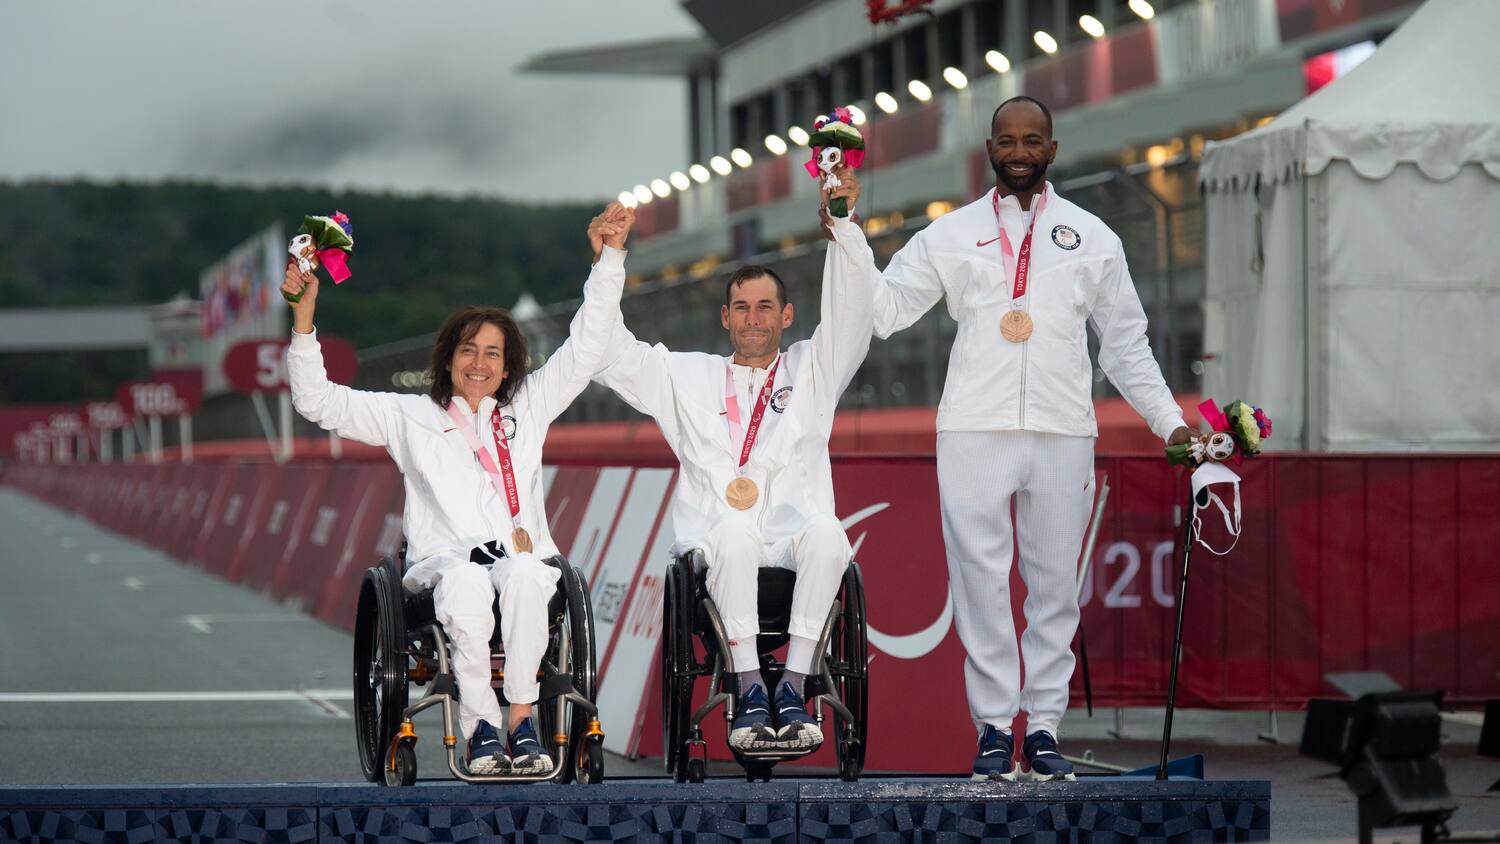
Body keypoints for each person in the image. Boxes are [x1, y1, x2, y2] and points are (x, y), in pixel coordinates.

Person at [849, 96, 1192, 780]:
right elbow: (883, 313)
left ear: (1052, 149)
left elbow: (1125, 349)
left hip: (1063, 431)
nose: (1019, 150)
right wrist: (845, 228)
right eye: (1007, 139)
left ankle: (1044, 728)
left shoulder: (1093, 237)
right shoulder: (951, 233)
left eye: (1032, 139)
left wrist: (1172, 422)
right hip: (974, 429)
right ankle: (993, 727)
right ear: (989, 149)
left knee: (1053, 589)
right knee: (981, 584)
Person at [283, 203, 634, 776]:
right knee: (469, 581)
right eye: (468, 350)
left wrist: (609, 259)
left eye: (492, 353)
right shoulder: (409, 416)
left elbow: (588, 346)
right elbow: (316, 401)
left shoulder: (530, 406)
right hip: (443, 567)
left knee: (524, 572)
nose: (479, 363)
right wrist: (304, 319)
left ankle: (521, 719)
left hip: (519, 561)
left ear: (508, 364)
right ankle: (481, 728)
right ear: (447, 360)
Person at [592, 173, 873, 752]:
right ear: (725, 319)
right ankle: (748, 686)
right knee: (737, 529)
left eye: (764, 307)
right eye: (741, 308)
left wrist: (843, 228)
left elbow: (850, 316)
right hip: (716, 541)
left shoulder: (813, 371)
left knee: (828, 534)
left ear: (787, 316)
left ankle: (794, 684)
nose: (752, 318)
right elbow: (608, 352)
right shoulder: (687, 376)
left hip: (794, 539)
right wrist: (608, 262)